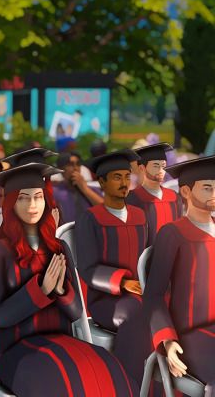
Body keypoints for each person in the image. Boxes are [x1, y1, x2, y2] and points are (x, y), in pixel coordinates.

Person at [0, 163, 135, 396]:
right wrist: (40, 291)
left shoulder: (58, 248)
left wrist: (61, 290)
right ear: (11, 204)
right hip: (14, 349)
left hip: (61, 339)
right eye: (23, 198)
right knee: (59, 381)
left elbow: (75, 313)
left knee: (107, 366)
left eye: (38, 197)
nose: (32, 205)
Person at [75, 149, 151, 389]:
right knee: (135, 313)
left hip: (140, 293)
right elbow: (87, 268)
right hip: (106, 300)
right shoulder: (90, 218)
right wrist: (123, 282)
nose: (124, 183)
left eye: (127, 177)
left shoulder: (140, 215)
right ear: (101, 182)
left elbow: (150, 256)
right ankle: (127, 385)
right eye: (117, 177)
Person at [143, 155, 215, 391]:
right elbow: (154, 295)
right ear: (185, 192)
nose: (214, 193)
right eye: (207, 188)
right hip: (189, 335)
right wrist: (168, 339)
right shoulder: (173, 234)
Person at [126, 143, 183, 246]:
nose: (161, 171)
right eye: (156, 166)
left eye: (163, 166)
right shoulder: (132, 198)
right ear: (142, 168)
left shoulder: (174, 197)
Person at [53, 151, 104, 224]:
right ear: (61, 169)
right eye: (70, 164)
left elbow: (106, 212)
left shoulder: (92, 190)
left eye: (78, 164)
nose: (75, 168)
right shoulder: (55, 192)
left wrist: (85, 189)